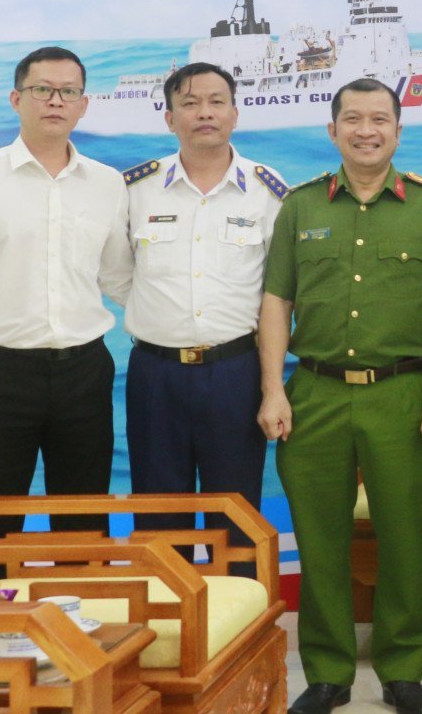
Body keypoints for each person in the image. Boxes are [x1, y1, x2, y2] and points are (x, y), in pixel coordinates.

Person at [257, 78, 422, 714]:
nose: (366, 130)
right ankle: (327, 673)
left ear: (398, 131)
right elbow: (276, 302)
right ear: (332, 131)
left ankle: (404, 668)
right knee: (320, 537)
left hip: (403, 395)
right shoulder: (300, 208)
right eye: (351, 119)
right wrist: (274, 389)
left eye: (379, 119)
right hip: (316, 393)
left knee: (404, 535)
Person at [0, 45, 132, 539]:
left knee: (84, 523)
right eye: (42, 90)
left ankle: (82, 615)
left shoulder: (108, 184)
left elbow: (120, 281)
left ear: (84, 105)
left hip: (84, 372)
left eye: (68, 92)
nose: (55, 102)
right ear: (16, 99)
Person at [120, 62, 285, 568]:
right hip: (155, 374)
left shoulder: (268, 190)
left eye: (216, 102)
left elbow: (280, 291)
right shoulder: (135, 190)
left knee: (235, 518)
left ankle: (241, 639)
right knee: (159, 517)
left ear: (236, 113)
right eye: (189, 104)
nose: (204, 113)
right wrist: (159, 314)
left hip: (235, 372)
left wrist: (272, 384)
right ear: (169, 118)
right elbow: (115, 274)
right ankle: (167, 637)